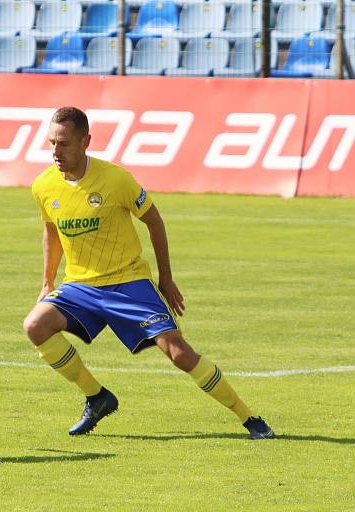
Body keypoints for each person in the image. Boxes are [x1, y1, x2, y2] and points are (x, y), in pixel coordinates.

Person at [22, 107, 274, 440]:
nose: (55, 152)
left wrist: (165, 279)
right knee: (35, 325)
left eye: (64, 143)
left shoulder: (116, 179)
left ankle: (249, 418)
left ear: (85, 141)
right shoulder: (43, 186)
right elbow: (51, 231)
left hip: (128, 282)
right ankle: (97, 397)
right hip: (81, 286)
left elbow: (154, 221)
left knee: (178, 352)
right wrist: (47, 282)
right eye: (52, 142)